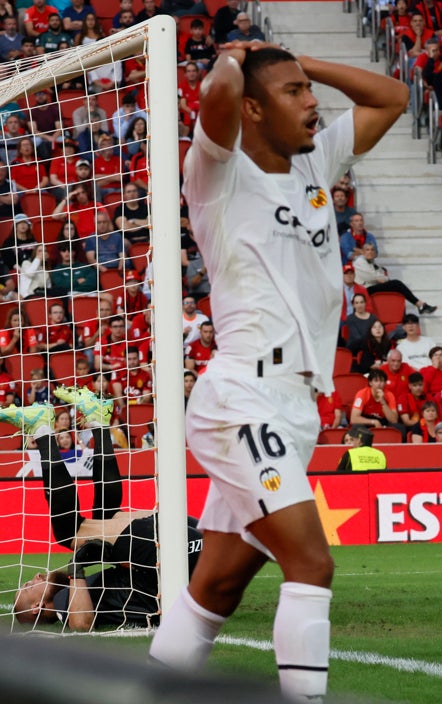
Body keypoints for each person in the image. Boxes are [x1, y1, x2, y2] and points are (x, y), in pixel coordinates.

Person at [147, 43, 408, 702]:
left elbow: (393, 98)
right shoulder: (216, 172)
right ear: (255, 109)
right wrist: (236, 62)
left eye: (307, 89)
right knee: (310, 561)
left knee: (217, 586)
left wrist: (303, 64)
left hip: (296, 408)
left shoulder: (315, 159)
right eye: (291, 92)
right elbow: (215, 100)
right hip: (241, 398)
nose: (311, 102)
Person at [10, 388, 202, 631]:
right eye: (29, 586)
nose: (35, 576)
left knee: (105, 515)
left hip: (184, 547)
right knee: (70, 535)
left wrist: (76, 572)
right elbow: (81, 624)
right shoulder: (63, 603)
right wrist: (76, 567)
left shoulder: (78, 591)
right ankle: (45, 431)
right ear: (38, 606)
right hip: (177, 550)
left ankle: (97, 422)